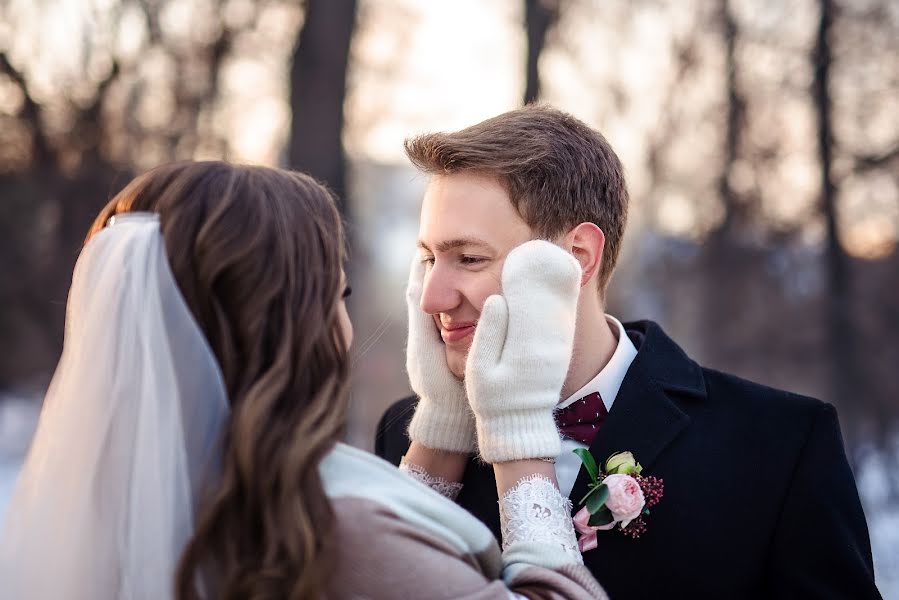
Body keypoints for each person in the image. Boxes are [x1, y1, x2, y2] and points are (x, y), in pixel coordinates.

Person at [0, 161, 606, 599]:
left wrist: (443, 430)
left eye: (467, 259)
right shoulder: (326, 529)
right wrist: (520, 438)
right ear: (290, 321)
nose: (431, 301)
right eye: (335, 295)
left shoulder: (136, 496)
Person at [375, 105, 882, 599]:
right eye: (427, 259)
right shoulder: (409, 438)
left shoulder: (782, 444)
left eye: (468, 258)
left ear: (575, 259)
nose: (431, 297)